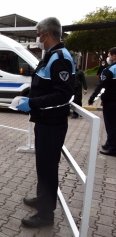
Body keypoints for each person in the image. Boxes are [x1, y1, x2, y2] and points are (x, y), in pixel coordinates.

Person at [16, 17, 75, 228]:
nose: (37, 38)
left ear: (47, 35)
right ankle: (42, 199)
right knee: (43, 166)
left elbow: (63, 95)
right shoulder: (50, 55)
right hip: (44, 121)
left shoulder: (60, 58)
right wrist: (29, 101)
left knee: (48, 168)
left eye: (38, 34)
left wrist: (31, 102)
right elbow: (45, 86)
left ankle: (45, 215)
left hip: (52, 123)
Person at [88, 47, 116, 157]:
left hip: (111, 102)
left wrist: (92, 99)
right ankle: (109, 143)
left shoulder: (110, 70)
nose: (108, 58)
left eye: (109, 55)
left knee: (111, 125)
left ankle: (113, 148)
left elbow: (101, 86)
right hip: (111, 100)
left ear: (114, 56)